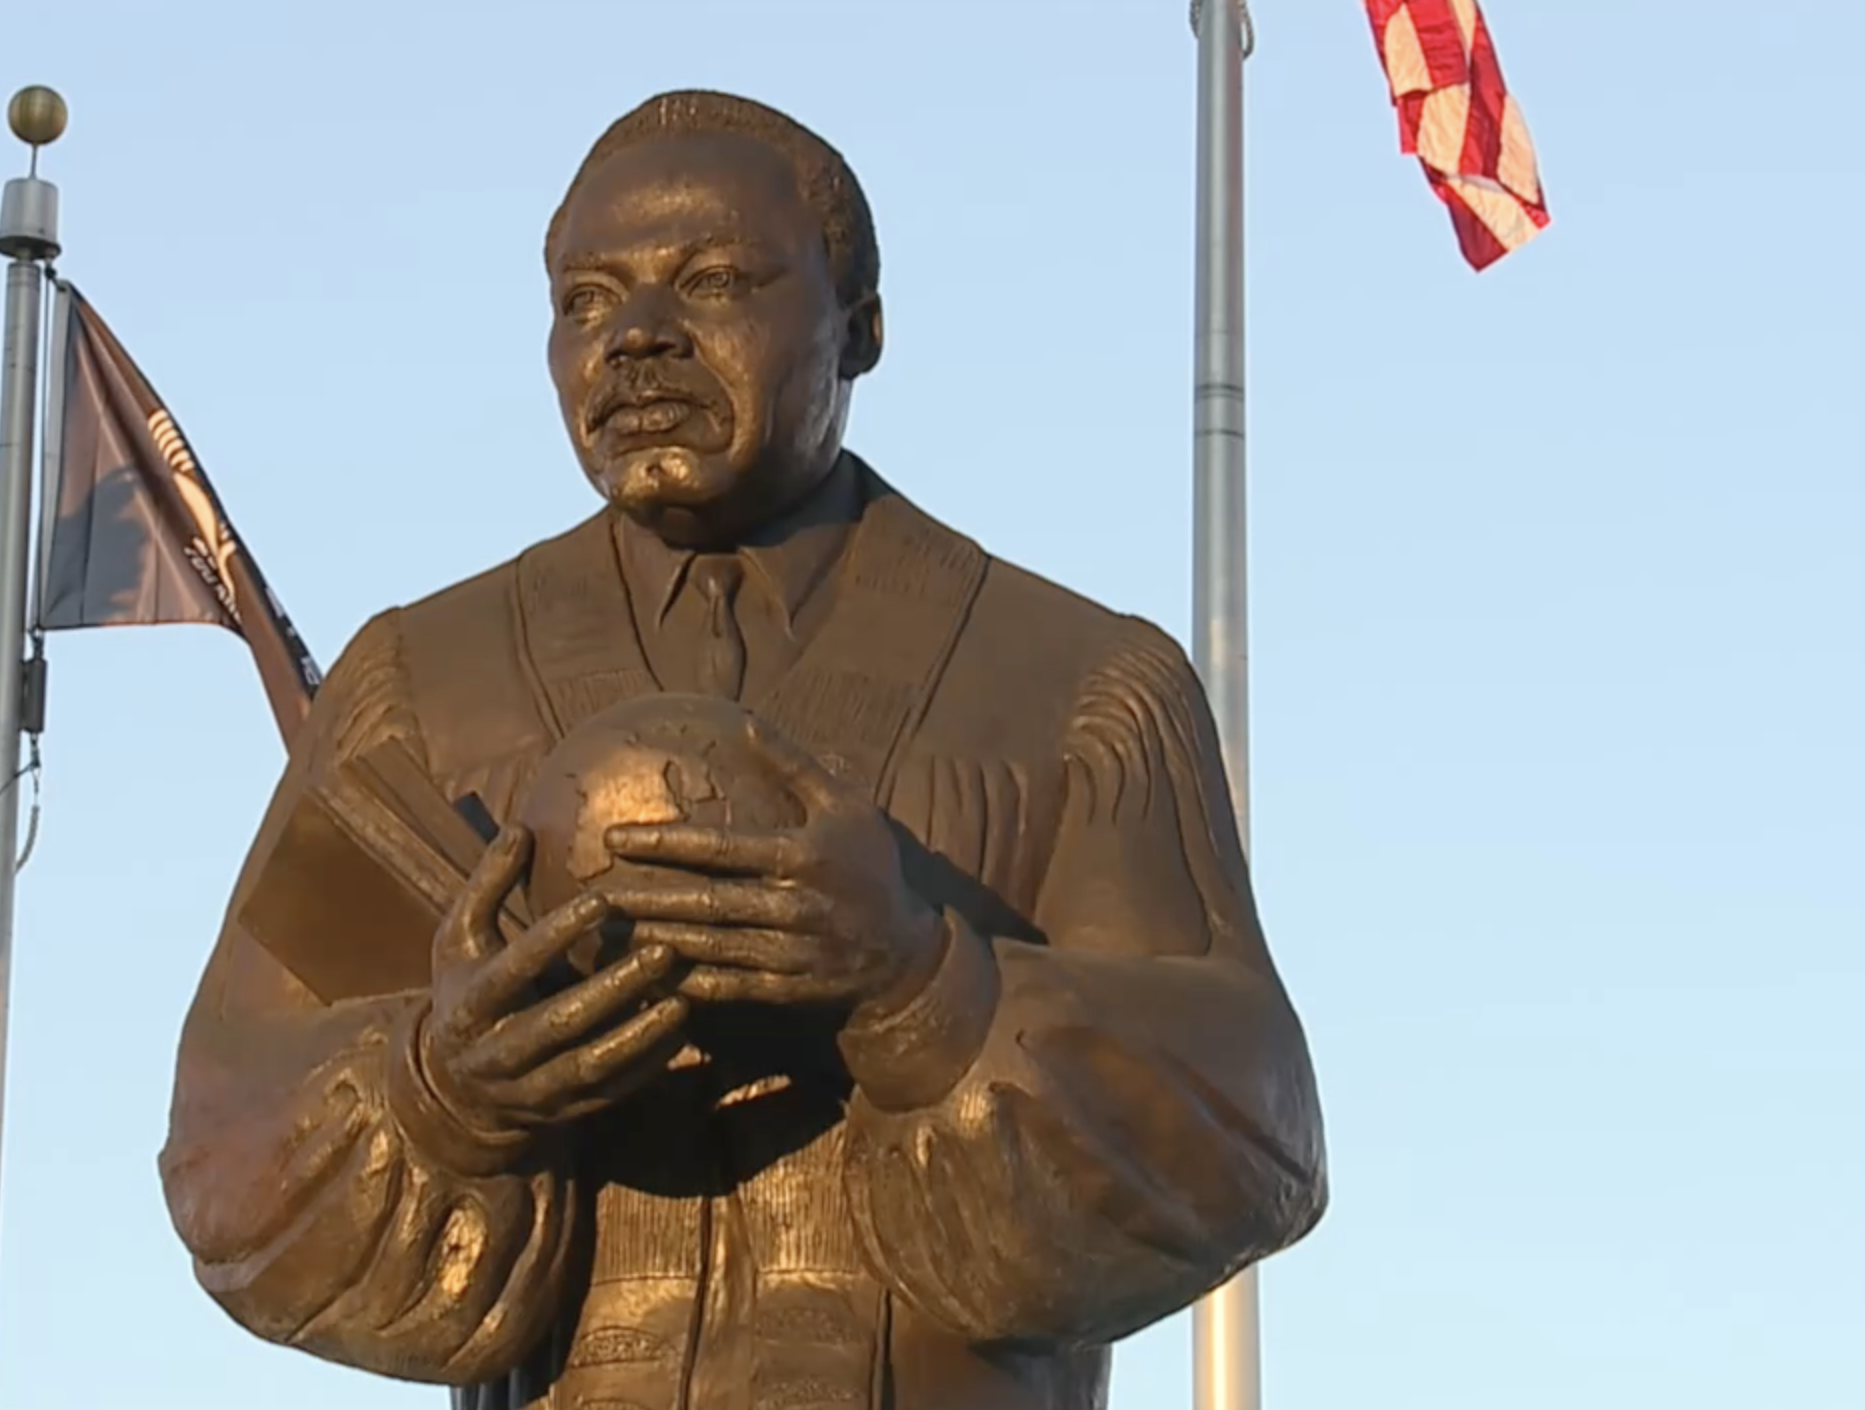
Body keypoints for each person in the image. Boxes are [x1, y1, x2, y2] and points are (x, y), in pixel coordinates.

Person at [160, 89, 1326, 1410]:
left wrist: (923, 989)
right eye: (586, 300)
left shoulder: (1078, 683)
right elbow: (223, 1139)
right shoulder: (417, 688)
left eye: (715, 280)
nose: (638, 336)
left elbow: (1256, 1135)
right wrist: (441, 1094)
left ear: (860, 326)